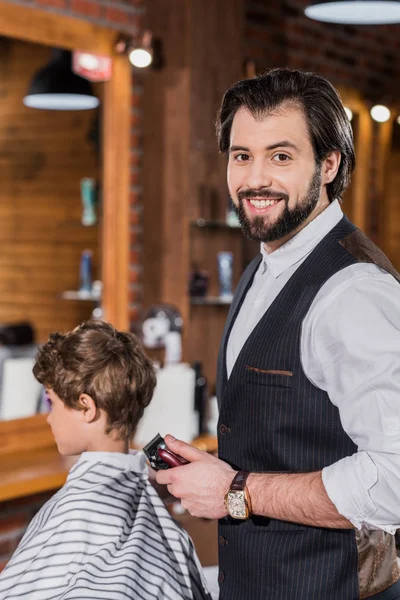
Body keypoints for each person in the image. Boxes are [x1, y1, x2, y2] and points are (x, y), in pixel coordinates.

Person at [156, 68, 400, 600]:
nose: (255, 178)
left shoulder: (354, 290)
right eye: (242, 155)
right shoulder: (267, 264)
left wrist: (235, 492)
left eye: (281, 156)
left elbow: (396, 480)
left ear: (329, 164)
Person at [0, 320, 211, 600]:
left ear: (86, 407)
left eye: (52, 403)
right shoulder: (145, 496)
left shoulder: (74, 510)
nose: (49, 418)